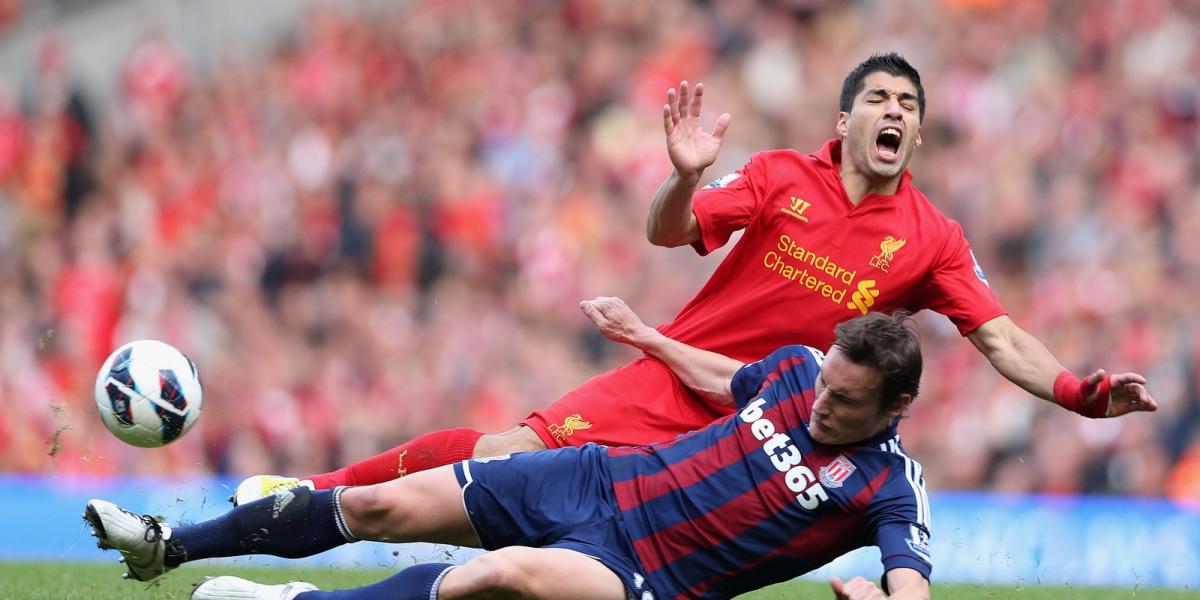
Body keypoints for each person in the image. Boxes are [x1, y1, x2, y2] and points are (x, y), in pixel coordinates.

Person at [231, 52, 1156, 505]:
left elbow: (999, 335)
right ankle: (312, 494)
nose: (895, 111)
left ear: (917, 136)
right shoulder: (778, 176)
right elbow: (667, 231)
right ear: (846, 117)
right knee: (507, 461)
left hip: (769, 431)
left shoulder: (931, 238)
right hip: (674, 380)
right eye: (879, 97)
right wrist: (680, 171)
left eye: (909, 106)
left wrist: (1078, 392)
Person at [87, 299, 935, 600]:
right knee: (383, 502)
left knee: (498, 577)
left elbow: (910, 583)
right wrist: (648, 337)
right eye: (824, 382)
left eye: (844, 402)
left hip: (649, 576)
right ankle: (165, 547)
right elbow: (733, 380)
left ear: (895, 406)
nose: (820, 402)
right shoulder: (793, 372)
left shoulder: (890, 489)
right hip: (596, 479)